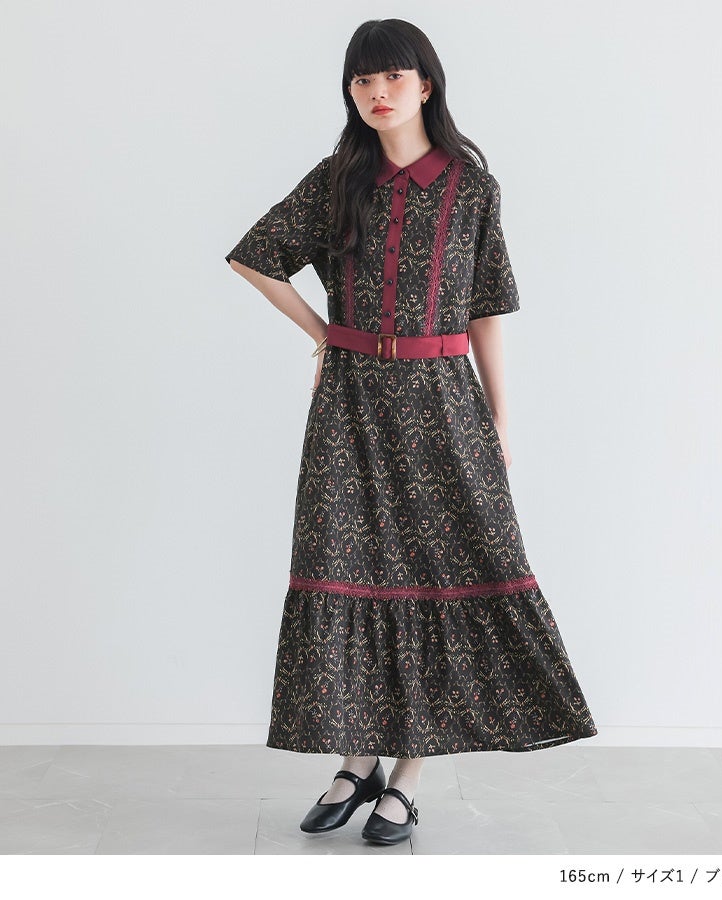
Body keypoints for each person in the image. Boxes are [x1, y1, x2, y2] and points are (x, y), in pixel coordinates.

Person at [225, 18, 598, 847]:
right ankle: (356, 761)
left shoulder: (471, 186)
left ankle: (408, 778)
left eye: (392, 76)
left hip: (442, 404)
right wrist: (324, 336)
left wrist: (500, 417)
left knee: (442, 572)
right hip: (351, 404)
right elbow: (254, 256)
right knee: (348, 567)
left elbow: (487, 308)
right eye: (362, 80)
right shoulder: (337, 181)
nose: (377, 92)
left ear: (425, 84)